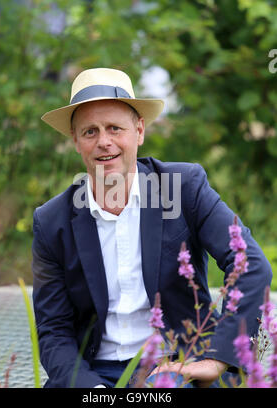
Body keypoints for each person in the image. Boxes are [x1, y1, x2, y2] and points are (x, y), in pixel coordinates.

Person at [33, 68, 272, 388]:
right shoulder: (52, 222)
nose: (104, 142)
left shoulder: (185, 187)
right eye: (90, 132)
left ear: (139, 131)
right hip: (92, 374)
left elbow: (250, 264)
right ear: (76, 141)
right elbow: (54, 330)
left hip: (176, 365)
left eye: (115, 128)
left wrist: (217, 358)